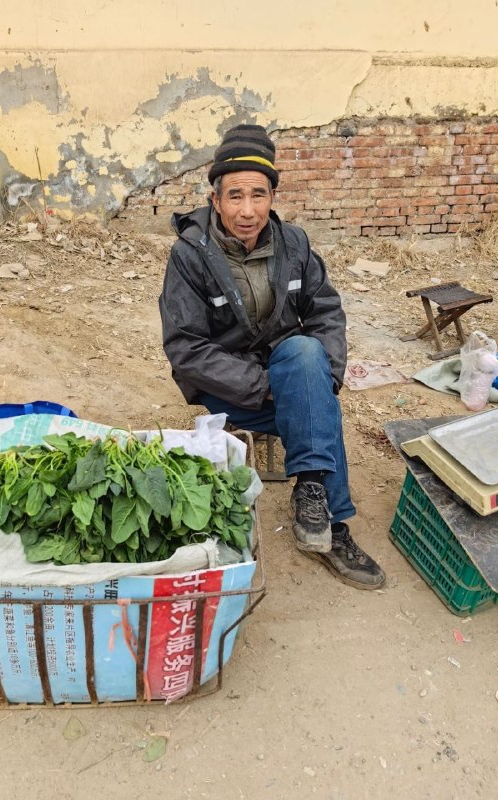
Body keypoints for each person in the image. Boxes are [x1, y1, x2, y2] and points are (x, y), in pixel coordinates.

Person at [159, 124, 385, 590]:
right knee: (316, 406)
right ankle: (334, 524)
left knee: (307, 358)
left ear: (272, 195)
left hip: (290, 369)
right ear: (215, 199)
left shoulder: (295, 244)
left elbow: (326, 313)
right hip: (232, 390)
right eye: (235, 196)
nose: (248, 210)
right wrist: (266, 386)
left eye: (258, 195)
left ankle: (317, 504)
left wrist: (325, 375)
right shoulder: (190, 255)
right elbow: (185, 347)